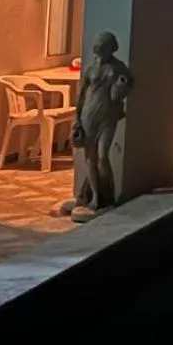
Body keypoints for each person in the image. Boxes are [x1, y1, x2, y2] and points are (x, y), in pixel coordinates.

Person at [71, 31, 135, 216]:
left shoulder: (118, 67)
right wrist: (77, 118)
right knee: (90, 158)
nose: (99, 51)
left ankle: (108, 196)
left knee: (102, 156)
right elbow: (81, 95)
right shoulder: (91, 69)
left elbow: (127, 86)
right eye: (98, 48)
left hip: (107, 116)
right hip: (88, 115)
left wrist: (121, 84)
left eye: (103, 47)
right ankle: (95, 196)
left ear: (110, 48)